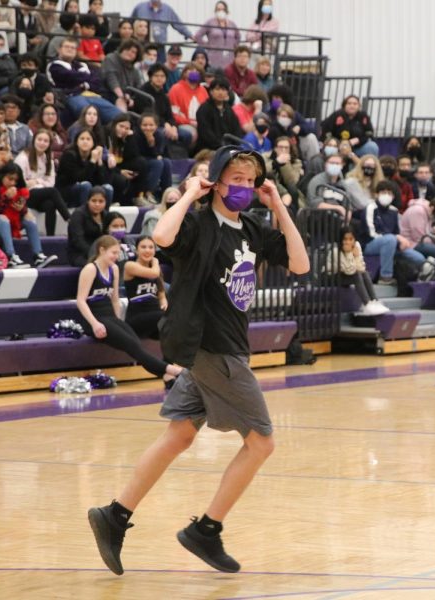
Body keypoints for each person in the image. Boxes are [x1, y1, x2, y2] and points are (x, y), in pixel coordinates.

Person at [87, 145, 309, 576]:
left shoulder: (251, 226)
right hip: (211, 347)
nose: (244, 188)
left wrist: (279, 206)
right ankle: (206, 530)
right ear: (217, 183)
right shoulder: (199, 224)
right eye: (236, 180)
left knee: (180, 435)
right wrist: (189, 194)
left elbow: (299, 263)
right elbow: (164, 238)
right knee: (261, 441)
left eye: (251, 180)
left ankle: (114, 515)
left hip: (225, 344)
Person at [75, 234, 181, 382]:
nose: (117, 256)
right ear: (101, 250)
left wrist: (118, 322)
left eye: (118, 253)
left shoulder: (114, 269)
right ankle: (171, 369)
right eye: (114, 252)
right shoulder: (90, 269)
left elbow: (115, 299)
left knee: (136, 344)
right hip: (95, 319)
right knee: (133, 345)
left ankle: (165, 376)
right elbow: (80, 300)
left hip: (110, 318)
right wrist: (94, 324)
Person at [0, 163, 57, 268]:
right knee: (2, 219)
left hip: (9, 220)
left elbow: (19, 207)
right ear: (2, 175)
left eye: (15, 180)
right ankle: (10, 256)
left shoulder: (16, 188)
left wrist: (23, 209)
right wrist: (6, 197)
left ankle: (38, 255)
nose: (13, 183)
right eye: (10, 179)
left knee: (30, 221)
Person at [359, 181, 424, 285]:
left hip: (391, 243)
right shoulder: (370, 208)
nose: (387, 195)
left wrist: (400, 242)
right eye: (383, 192)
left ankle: (415, 279)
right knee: (390, 239)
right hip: (369, 244)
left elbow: (396, 233)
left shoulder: (394, 211)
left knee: (419, 258)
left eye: (390, 193)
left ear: (393, 196)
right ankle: (385, 277)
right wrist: (394, 239)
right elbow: (370, 233)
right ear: (377, 194)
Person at [49, 38, 122, 124]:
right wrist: (87, 78)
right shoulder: (54, 65)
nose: (70, 49)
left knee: (119, 116)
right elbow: (69, 77)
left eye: (73, 48)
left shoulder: (82, 65)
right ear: (59, 49)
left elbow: (97, 81)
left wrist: (84, 84)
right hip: (70, 96)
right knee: (87, 112)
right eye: (67, 47)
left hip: (92, 95)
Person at [15, 129, 70, 235]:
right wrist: (40, 182)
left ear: (49, 144)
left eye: (46, 141)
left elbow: (51, 182)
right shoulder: (23, 158)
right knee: (53, 192)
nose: (42, 143)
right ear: (34, 140)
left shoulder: (48, 159)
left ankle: (50, 236)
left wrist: (36, 181)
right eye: (39, 139)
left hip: (41, 193)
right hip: (25, 195)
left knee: (50, 204)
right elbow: (21, 183)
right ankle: (69, 219)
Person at [124, 235, 167, 338]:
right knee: (171, 317)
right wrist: (156, 261)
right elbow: (154, 274)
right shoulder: (130, 265)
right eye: (143, 247)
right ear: (136, 250)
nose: (147, 250)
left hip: (155, 315)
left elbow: (161, 294)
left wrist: (164, 305)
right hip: (137, 316)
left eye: (151, 247)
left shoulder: (156, 270)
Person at [57, 129, 114, 208]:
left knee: (108, 188)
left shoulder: (93, 155)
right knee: (86, 185)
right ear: (77, 141)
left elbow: (104, 181)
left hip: (87, 189)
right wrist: (92, 161)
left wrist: (99, 160)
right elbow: (80, 178)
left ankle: (103, 217)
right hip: (67, 190)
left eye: (88, 139)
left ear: (93, 143)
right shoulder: (69, 155)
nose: (85, 141)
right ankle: (85, 216)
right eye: (82, 139)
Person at [339, 227, 387, 315]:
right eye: (345, 239)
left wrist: (356, 256)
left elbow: (361, 268)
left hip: (348, 273)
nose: (348, 242)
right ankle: (367, 304)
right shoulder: (336, 249)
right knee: (356, 275)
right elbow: (348, 270)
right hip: (333, 276)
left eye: (351, 239)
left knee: (364, 273)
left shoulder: (356, 245)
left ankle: (374, 300)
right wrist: (350, 254)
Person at [196, 78, 242, 153]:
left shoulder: (229, 110)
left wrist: (233, 147)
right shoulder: (204, 109)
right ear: (211, 91)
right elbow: (205, 133)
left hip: (228, 149)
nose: (220, 93)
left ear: (227, 92)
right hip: (208, 150)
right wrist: (221, 146)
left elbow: (236, 131)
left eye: (223, 90)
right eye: (217, 89)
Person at [134, 112, 171, 204]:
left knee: (166, 162)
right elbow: (137, 153)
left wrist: (152, 143)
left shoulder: (159, 135)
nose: (148, 128)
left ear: (156, 125)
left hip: (152, 157)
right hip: (139, 159)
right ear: (140, 125)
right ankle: (148, 192)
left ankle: (166, 193)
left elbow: (159, 153)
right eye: (144, 125)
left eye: (151, 125)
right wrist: (150, 144)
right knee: (157, 163)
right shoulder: (136, 135)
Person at [168, 64, 208, 147]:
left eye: (197, 71)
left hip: (201, 123)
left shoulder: (203, 90)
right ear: (184, 73)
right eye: (190, 70)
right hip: (183, 123)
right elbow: (174, 113)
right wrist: (190, 122)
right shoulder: (176, 89)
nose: (194, 72)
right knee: (193, 133)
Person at [68, 186, 107, 267]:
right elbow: (78, 240)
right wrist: (95, 254)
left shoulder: (105, 215)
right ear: (88, 201)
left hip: (101, 254)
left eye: (101, 201)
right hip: (80, 254)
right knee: (97, 266)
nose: (97, 204)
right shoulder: (78, 214)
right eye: (94, 201)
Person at [195, 2, 242, 69]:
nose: (221, 11)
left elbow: (238, 36)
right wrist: (207, 45)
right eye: (218, 9)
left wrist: (233, 45)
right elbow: (198, 36)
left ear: (226, 11)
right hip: (214, 58)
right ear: (215, 11)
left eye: (223, 9)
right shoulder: (210, 22)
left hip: (229, 59)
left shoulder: (232, 24)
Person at [101, 40, 142, 113]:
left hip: (128, 98)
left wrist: (132, 99)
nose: (130, 53)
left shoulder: (134, 70)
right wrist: (123, 97)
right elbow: (112, 81)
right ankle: (123, 121)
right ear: (122, 49)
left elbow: (138, 89)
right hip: (109, 94)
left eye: (133, 52)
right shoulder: (111, 58)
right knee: (121, 101)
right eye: (127, 49)